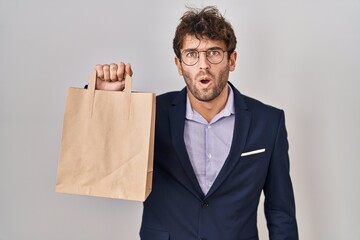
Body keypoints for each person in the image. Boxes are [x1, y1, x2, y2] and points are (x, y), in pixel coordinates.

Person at [93, 6, 298, 240]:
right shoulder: (151, 114)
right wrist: (105, 100)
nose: (203, 65)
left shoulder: (269, 122)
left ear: (232, 60)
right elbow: (106, 160)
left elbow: (280, 211)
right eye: (191, 54)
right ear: (179, 64)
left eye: (214, 53)